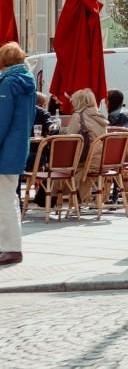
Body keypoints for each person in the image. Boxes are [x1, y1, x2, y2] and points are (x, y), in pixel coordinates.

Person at [0, 42, 36, 266]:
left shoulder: (8, 84)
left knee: (4, 201)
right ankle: (9, 246)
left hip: (5, 152)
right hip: (16, 149)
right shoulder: (27, 82)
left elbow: (1, 121)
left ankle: (11, 248)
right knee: (8, 199)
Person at [64, 88, 108, 202]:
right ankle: (82, 197)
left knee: (58, 166)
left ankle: (49, 198)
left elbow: (70, 138)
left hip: (86, 161)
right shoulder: (100, 116)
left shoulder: (78, 116)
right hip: (102, 161)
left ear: (78, 101)